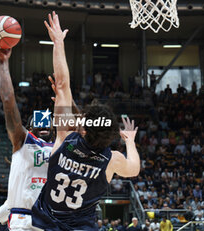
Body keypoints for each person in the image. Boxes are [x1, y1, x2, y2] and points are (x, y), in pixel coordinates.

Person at [32, 11, 140, 230]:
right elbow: (134, 169)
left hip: (43, 224)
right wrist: (130, 140)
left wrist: (58, 43)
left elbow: (62, 85)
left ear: (83, 128)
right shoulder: (112, 159)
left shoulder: (66, 138)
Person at [0, 39, 54, 230]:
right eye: (38, 125)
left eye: (47, 125)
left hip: (49, 221)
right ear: (28, 128)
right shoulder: (23, 141)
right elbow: (8, 100)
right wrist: (3, 63)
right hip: (23, 220)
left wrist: (64, 97)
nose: (43, 128)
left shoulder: (61, 146)